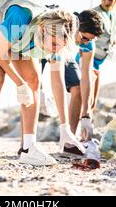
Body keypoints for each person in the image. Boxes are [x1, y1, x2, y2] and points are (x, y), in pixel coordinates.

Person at [0, 0, 78, 166]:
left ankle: (29, 148)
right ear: (43, 29)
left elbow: (57, 81)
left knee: (34, 81)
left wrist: (65, 127)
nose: (55, 51)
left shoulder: (56, 38)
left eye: (59, 47)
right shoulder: (20, 16)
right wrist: (20, 84)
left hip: (18, 35)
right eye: (53, 45)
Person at [42, 10, 104, 156]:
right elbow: (56, 75)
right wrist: (40, 90)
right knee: (32, 84)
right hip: (47, 44)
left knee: (77, 89)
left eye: (90, 40)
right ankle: (25, 144)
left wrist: (86, 114)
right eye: (84, 38)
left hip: (66, 53)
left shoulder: (88, 44)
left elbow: (86, 76)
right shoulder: (63, 30)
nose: (85, 43)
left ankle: (68, 142)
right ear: (77, 28)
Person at [91, 0, 116, 114]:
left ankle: (86, 125)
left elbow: (111, 33)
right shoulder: (94, 13)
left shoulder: (115, 15)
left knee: (93, 101)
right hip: (88, 58)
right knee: (87, 97)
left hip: (100, 59)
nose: (107, 2)